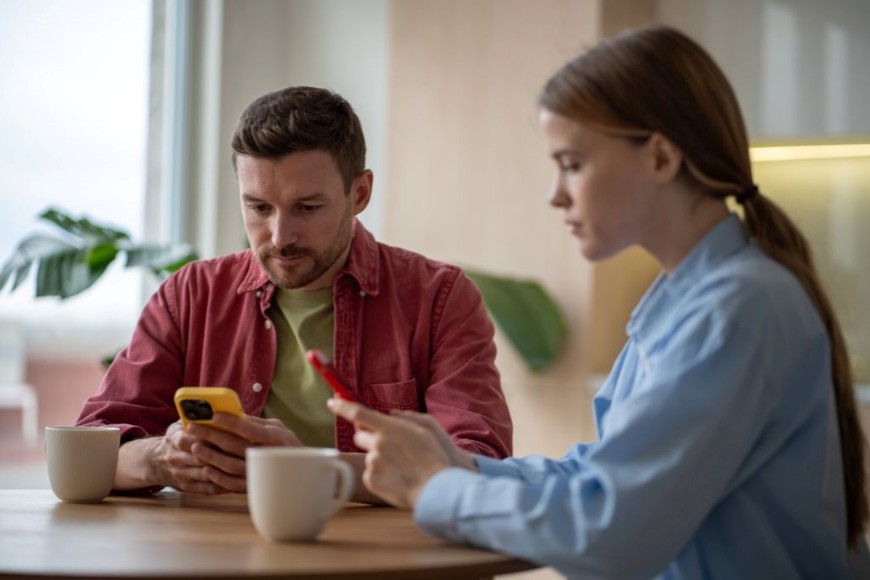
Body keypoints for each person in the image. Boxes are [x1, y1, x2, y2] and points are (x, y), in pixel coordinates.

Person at [329, 25, 870, 578]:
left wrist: (438, 488)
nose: (555, 193)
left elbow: (608, 531)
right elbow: (594, 476)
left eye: (572, 163)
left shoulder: (739, 307)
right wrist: (458, 465)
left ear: (660, 158)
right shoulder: (688, 302)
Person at [76, 86, 512, 502]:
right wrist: (158, 460)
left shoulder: (439, 300)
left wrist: (311, 469)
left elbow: (479, 465)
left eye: (307, 208)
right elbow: (90, 451)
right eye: (259, 208)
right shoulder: (190, 295)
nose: (280, 237)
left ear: (359, 193)